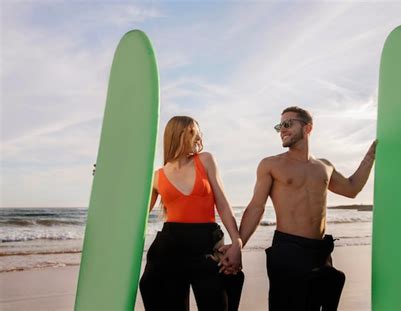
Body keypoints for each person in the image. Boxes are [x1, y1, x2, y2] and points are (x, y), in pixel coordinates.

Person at [239, 106, 376, 311]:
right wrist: (237, 245)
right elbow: (256, 207)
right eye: (280, 126)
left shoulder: (324, 166)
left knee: (326, 292)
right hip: (287, 250)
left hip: (319, 251)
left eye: (288, 124)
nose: (282, 130)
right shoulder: (271, 164)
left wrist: (370, 156)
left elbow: (352, 188)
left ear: (307, 128)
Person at [140, 116, 244, 311]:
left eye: (198, 132)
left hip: (206, 246)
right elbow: (137, 214)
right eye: (192, 131)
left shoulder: (204, 160)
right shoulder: (156, 176)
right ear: (177, 134)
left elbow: (222, 203)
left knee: (217, 304)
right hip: (170, 249)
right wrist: (107, 176)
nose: (198, 137)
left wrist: (236, 242)